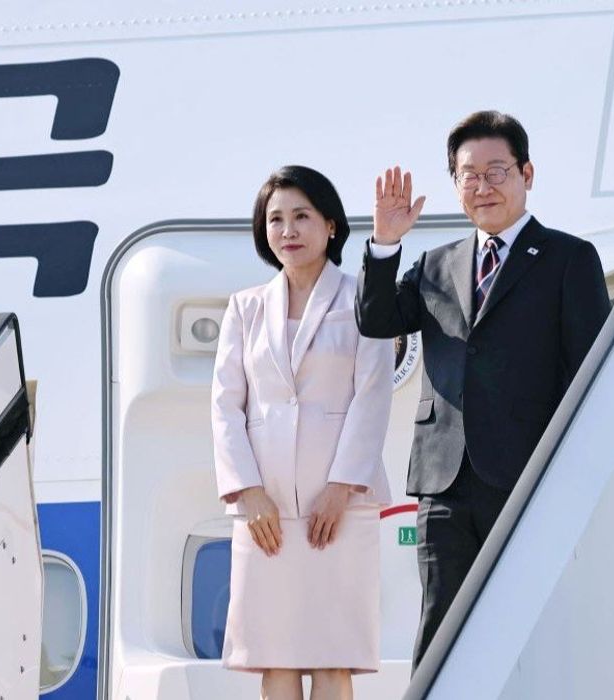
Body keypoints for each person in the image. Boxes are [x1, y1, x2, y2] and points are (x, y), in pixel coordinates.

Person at [355, 111, 612, 667]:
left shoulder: (569, 259)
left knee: (527, 626)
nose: (482, 186)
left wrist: (567, 471)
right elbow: (375, 320)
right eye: (468, 174)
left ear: (527, 173)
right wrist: (384, 242)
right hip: (444, 481)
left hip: (527, 478)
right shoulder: (434, 264)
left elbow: (588, 370)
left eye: (497, 171)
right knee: (440, 630)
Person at [212, 165, 393, 700]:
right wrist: (247, 490)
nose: (287, 230)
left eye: (300, 216)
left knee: (334, 660)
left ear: (330, 225)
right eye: (275, 220)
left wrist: (343, 486)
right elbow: (225, 405)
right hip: (264, 507)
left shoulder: (362, 297)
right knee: (276, 661)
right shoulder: (245, 307)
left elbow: (373, 394)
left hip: (337, 504)